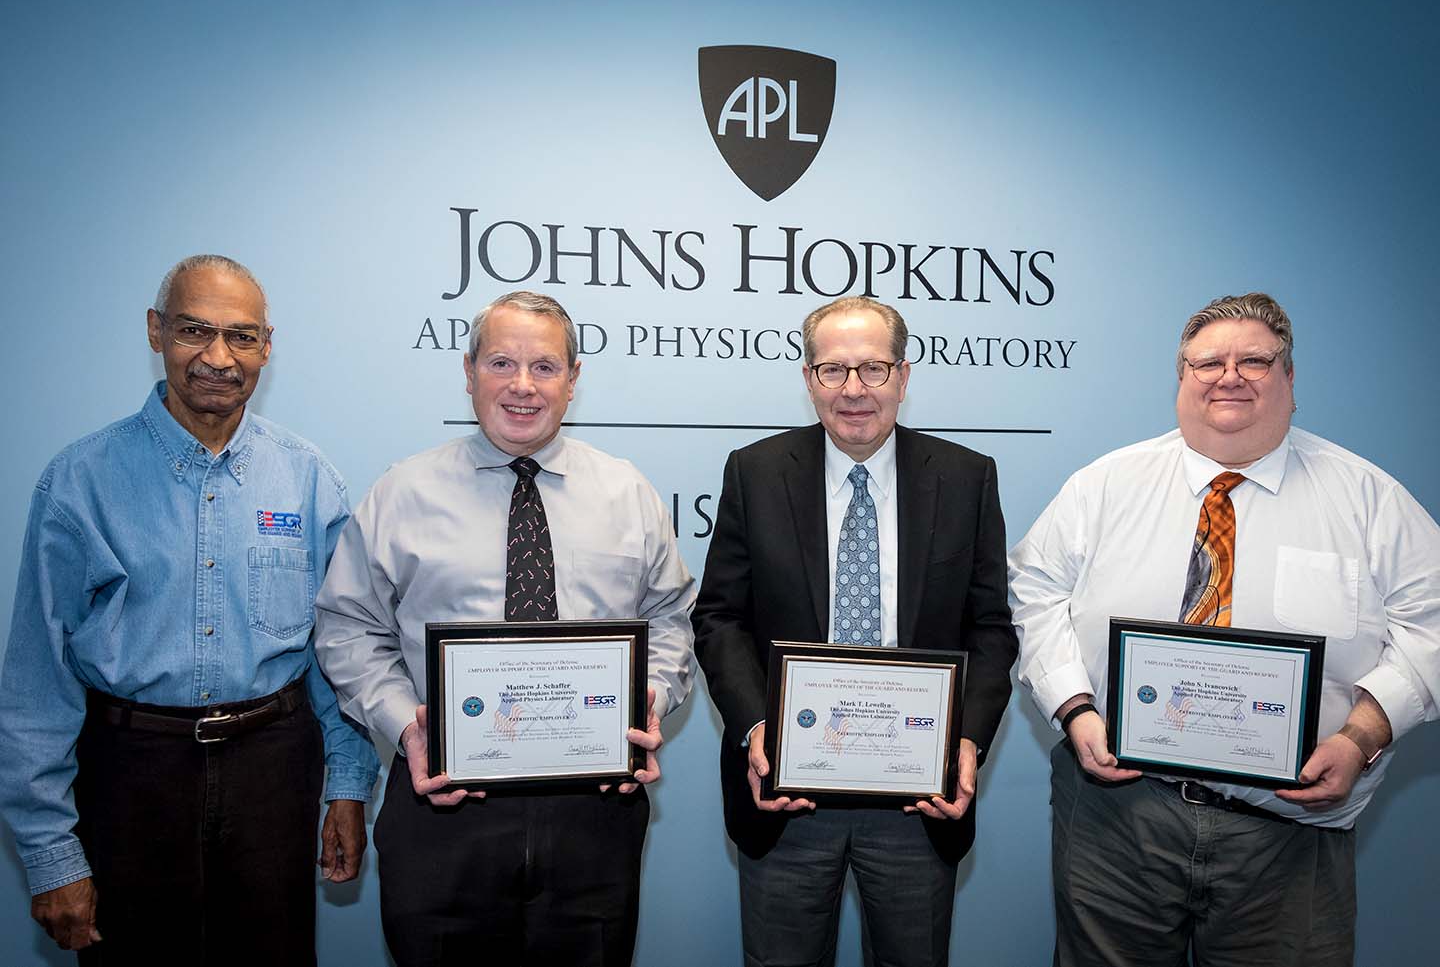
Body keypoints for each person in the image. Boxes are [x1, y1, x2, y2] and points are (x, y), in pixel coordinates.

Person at [1009, 292, 1440, 967]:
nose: (1229, 375)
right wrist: (1075, 708)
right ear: (1181, 378)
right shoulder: (1104, 485)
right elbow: (1034, 593)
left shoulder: (1368, 500)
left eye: (1255, 361)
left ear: (1290, 380)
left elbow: (1432, 628)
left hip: (1287, 830)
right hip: (1121, 816)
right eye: (1207, 361)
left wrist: (1361, 736)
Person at [0, 254, 380, 963]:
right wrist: (53, 854)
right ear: (155, 331)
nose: (217, 357)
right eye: (193, 330)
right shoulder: (77, 482)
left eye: (240, 336)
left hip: (274, 770)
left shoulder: (309, 479)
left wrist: (348, 784)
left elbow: (341, 654)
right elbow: (36, 682)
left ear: (267, 346)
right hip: (128, 775)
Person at [312, 289, 696, 967]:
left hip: (594, 814)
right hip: (444, 803)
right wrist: (408, 724)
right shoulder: (403, 492)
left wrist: (651, 697)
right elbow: (349, 628)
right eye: (501, 363)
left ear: (573, 380)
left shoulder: (627, 491)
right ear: (468, 371)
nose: (523, 385)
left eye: (545, 366)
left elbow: (670, 618)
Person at [692, 295, 1018, 967]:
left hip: (917, 799)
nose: (854, 390)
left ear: (903, 374)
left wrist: (967, 742)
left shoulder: (966, 477)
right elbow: (719, 616)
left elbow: (991, 629)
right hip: (785, 795)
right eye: (833, 369)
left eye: (873, 367)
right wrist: (757, 731)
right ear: (808, 379)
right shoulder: (753, 471)